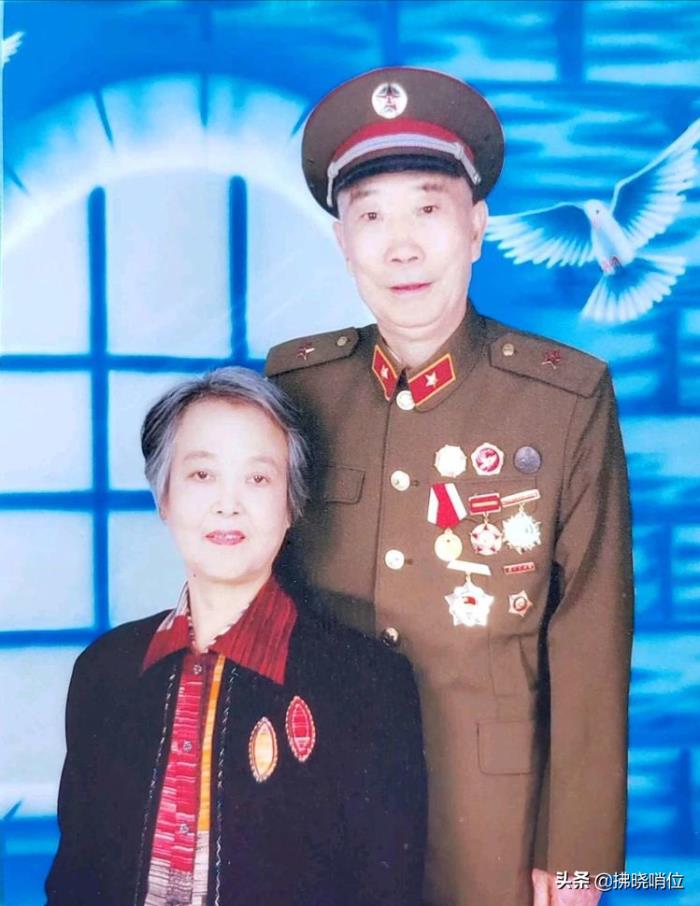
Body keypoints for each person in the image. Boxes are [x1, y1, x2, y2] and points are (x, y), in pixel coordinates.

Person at [265, 67, 634, 906]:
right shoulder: (297, 388)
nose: (401, 246)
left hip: (494, 817)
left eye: (428, 209)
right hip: (321, 796)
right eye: (371, 216)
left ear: (476, 227)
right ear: (342, 241)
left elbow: (590, 639)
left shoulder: (564, 399)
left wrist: (579, 859)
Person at [45, 367, 426, 906]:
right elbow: (73, 881)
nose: (228, 504)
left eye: (258, 478)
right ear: (164, 498)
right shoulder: (104, 670)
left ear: (292, 505)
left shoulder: (368, 683)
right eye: (202, 475)